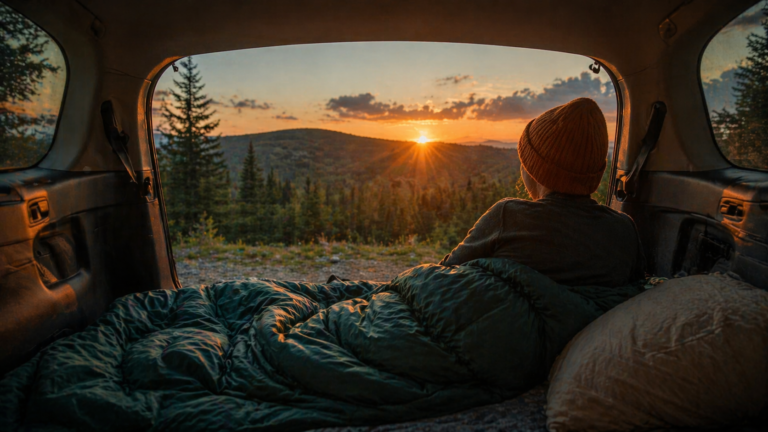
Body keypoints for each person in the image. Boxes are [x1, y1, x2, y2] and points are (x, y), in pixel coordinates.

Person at [439, 97, 645, 287]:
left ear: (537, 173)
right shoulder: (625, 230)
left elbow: (443, 277)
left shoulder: (508, 216)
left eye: (525, 163)